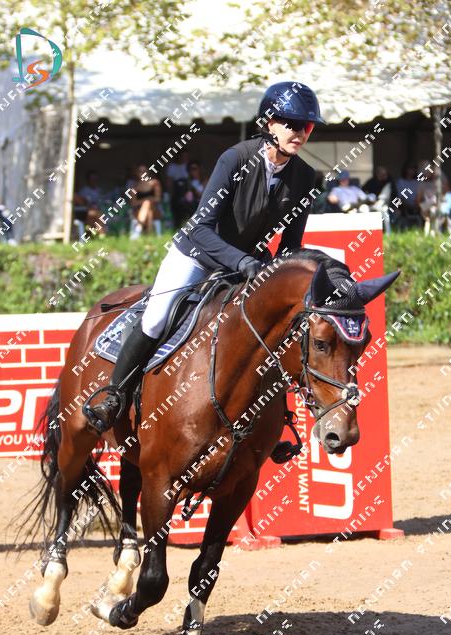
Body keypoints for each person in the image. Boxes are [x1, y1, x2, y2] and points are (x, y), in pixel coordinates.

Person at [86, 81, 324, 433]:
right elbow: (200, 227)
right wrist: (241, 261)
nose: (301, 133)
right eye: (293, 124)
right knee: (156, 318)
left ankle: (277, 419)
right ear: (269, 122)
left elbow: (290, 245)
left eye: (308, 127)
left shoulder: (304, 176)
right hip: (198, 255)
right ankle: (114, 396)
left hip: (249, 265)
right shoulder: (235, 159)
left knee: (278, 326)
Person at [130, 165, 163, 238]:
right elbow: (133, 203)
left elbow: (158, 199)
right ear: (137, 173)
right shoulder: (134, 187)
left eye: (144, 171)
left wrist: (146, 201)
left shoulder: (155, 183)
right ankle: (149, 234)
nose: (142, 173)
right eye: (140, 171)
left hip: (155, 210)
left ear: (148, 172)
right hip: (139, 211)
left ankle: (138, 229)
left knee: (147, 204)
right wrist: (147, 199)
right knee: (148, 210)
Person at [73, 170, 106, 236]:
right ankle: (102, 234)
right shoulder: (83, 191)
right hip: (84, 212)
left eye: (95, 179)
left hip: (97, 210)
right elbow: (82, 204)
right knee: (97, 215)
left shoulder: (99, 190)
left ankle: (97, 234)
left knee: (99, 215)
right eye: (92, 179)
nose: (94, 181)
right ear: (88, 180)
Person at [165, 152, 190, 229]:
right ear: (178, 156)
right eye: (183, 156)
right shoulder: (172, 167)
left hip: (188, 190)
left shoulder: (189, 166)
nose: (185, 158)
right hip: (176, 191)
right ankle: (176, 224)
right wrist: (170, 193)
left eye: (186, 156)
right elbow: (169, 182)